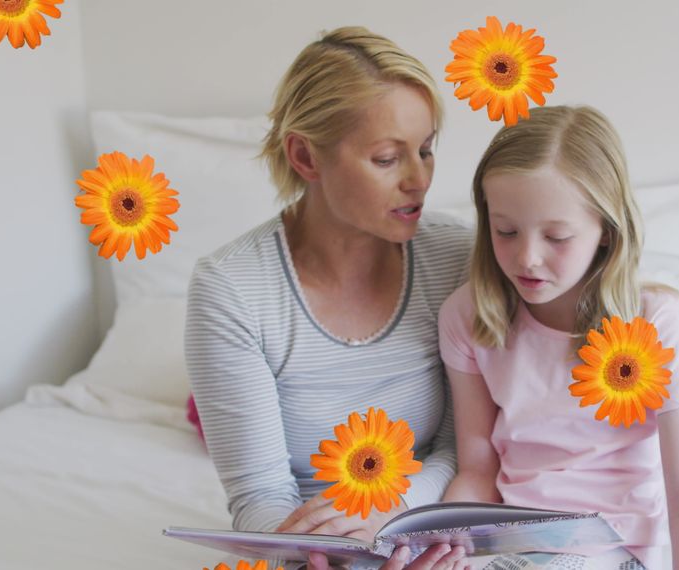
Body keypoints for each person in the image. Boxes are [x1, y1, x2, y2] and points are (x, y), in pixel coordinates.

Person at [185, 26, 472, 570]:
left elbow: (462, 449)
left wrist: (392, 520)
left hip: (424, 533)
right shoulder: (231, 289)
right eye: (387, 159)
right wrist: (329, 556)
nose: (420, 179)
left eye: (427, 150)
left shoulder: (458, 257)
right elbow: (259, 497)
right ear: (305, 157)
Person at [437, 105, 679, 569]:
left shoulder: (657, 324)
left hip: (614, 550)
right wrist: (442, 542)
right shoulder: (469, 317)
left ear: (606, 232)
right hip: (512, 546)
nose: (527, 258)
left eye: (557, 237)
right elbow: (478, 469)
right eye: (505, 231)